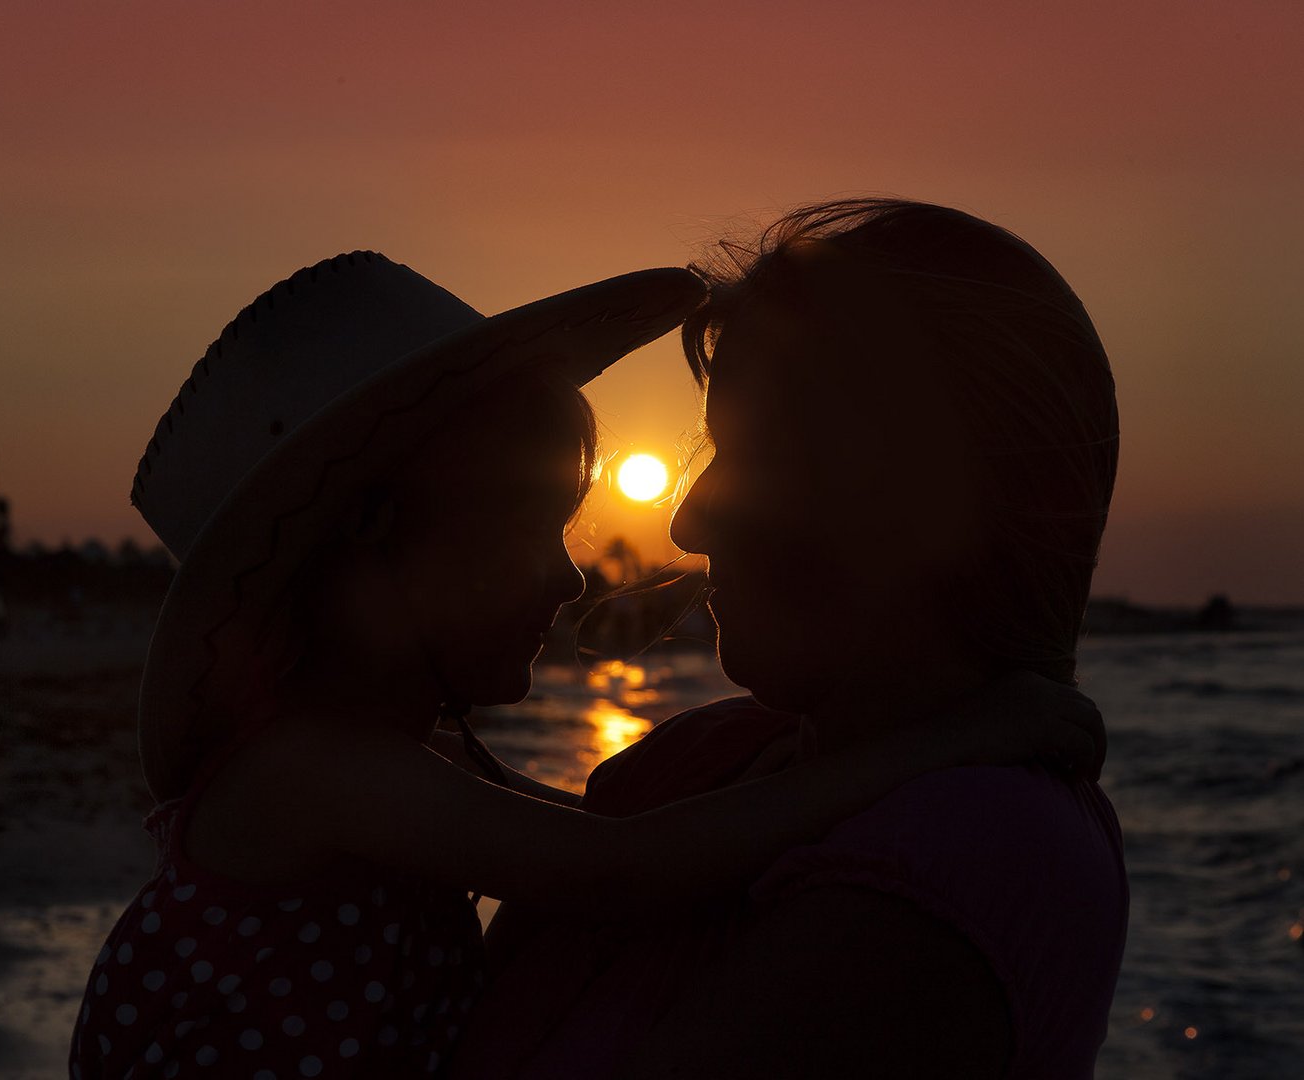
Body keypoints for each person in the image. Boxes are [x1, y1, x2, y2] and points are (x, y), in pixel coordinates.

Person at [67, 251, 1102, 1080]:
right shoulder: (324, 774)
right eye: (530, 527)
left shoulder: (408, 765)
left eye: (746, 454)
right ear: (380, 534)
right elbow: (625, 869)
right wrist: (954, 740)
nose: (573, 579)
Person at [449, 198, 1129, 1080]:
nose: (689, 522)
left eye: (755, 457)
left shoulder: (970, 856)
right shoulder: (696, 764)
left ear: (923, 501)